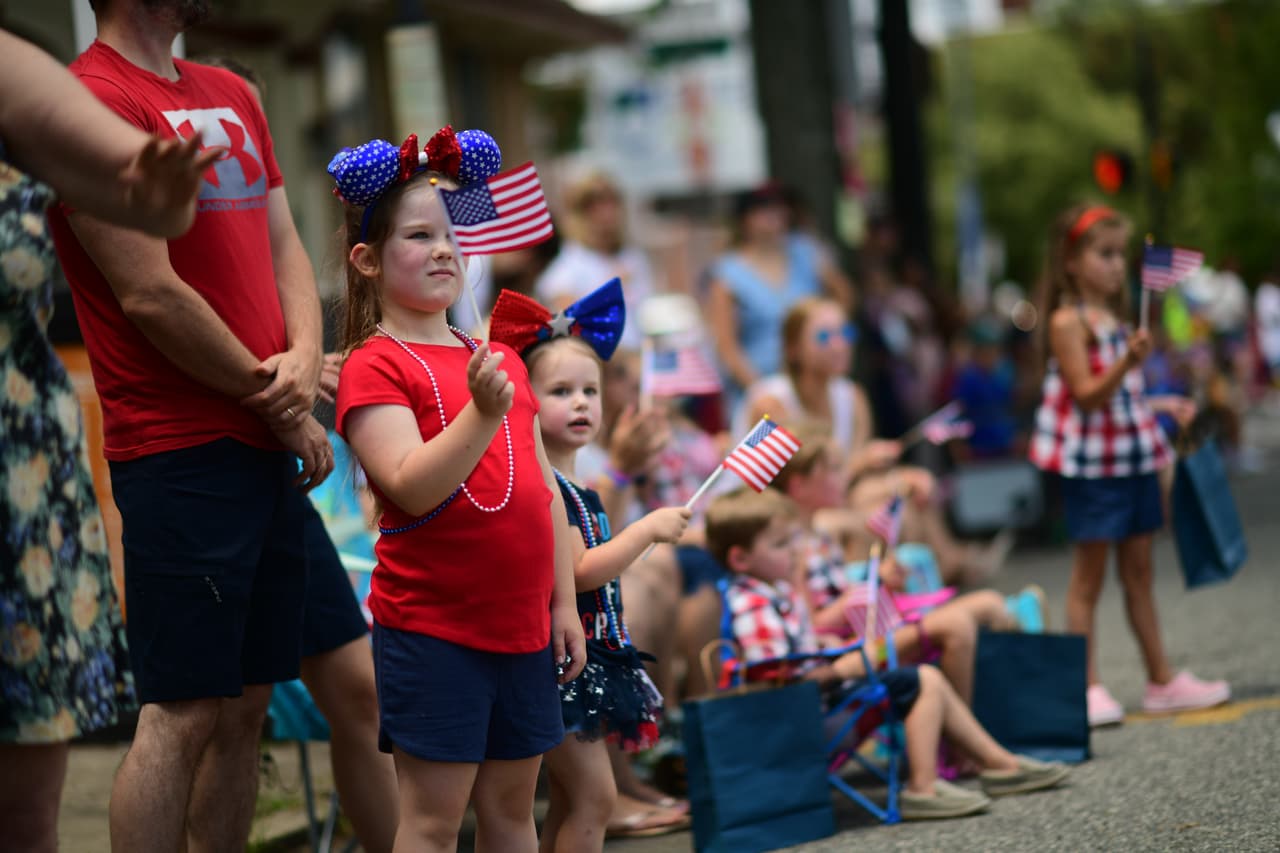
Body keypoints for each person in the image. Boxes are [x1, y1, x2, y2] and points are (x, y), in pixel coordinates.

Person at [46, 3, 335, 850]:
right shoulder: (87, 102)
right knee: (181, 709)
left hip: (265, 435)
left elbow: (287, 242)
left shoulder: (234, 90)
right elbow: (150, 293)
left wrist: (305, 354)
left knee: (246, 706)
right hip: (178, 449)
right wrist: (279, 403)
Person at [331, 126, 586, 852]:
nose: (445, 249)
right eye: (419, 235)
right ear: (369, 261)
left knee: (513, 813)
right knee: (435, 822)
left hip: (524, 625)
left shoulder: (495, 356)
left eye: (450, 233)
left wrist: (564, 602)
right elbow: (410, 485)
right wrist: (483, 409)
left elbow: (544, 493)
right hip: (435, 631)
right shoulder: (374, 365)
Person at [0, 27, 218, 852]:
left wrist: (156, 192)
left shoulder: (7, 68)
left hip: (14, 485)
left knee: (24, 813)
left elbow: (130, 178)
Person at [202, 54, 397, 853]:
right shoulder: (172, 209)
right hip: (208, 463)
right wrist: (288, 381)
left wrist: (310, 360)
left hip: (286, 479)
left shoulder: (268, 209)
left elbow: (291, 318)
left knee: (358, 690)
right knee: (220, 711)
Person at [705, 488, 1069, 821]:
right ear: (740, 558)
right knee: (921, 680)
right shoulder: (753, 607)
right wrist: (848, 662)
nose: (795, 550)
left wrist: (841, 659)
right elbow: (781, 684)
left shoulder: (774, 594)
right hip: (800, 723)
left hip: (817, 704)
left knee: (922, 680)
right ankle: (928, 787)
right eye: (782, 544)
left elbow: (798, 660)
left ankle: (997, 764)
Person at [488, 290, 693, 847]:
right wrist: (645, 530)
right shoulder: (544, 483)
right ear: (524, 400)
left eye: (589, 391)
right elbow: (578, 571)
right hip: (558, 660)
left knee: (576, 796)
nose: (580, 403)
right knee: (594, 796)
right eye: (560, 392)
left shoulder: (577, 485)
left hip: (582, 657)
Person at [1029, 203, 1229, 727]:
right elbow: (1088, 397)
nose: (1118, 265)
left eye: (1121, 254)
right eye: (1105, 254)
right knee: (1087, 579)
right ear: (1072, 261)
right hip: (1094, 469)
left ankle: (1161, 679)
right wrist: (1126, 362)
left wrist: (1161, 404)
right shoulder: (1066, 322)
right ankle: (1088, 686)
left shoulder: (1117, 319)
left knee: (1139, 571)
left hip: (1134, 459)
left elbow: (1123, 398)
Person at [743, 297, 1010, 585]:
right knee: (894, 510)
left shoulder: (851, 397)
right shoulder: (772, 403)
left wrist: (900, 477)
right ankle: (945, 570)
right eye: (823, 336)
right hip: (790, 506)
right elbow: (782, 487)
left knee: (908, 492)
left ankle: (941, 572)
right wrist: (863, 463)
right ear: (793, 349)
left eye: (845, 334)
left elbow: (850, 478)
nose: (839, 344)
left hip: (835, 492)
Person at [771, 428, 1043, 707]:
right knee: (967, 618)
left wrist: (877, 580)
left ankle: (1005, 714)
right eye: (834, 470)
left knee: (990, 606)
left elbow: (842, 592)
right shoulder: (794, 550)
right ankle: (965, 734)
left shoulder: (821, 533)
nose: (844, 478)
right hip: (849, 649)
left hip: (869, 633)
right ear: (799, 486)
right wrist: (865, 590)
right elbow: (811, 624)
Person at [706, 182, 854, 413]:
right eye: (764, 209)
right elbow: (727, 346)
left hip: (813, 382)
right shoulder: (727, 273)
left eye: (779, 207)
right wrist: (762, 391)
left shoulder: (807, 251)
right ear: (745, 219)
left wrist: (829, 332)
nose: (774, 215)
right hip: (761, 386)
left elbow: (843, 294)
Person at [536, 171, 655, 352]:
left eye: (611, 202)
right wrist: (608, 290)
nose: (605, 213)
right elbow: (569, 321)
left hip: (642, 357)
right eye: (593, 205)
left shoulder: (633, 258)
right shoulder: (568, 265)